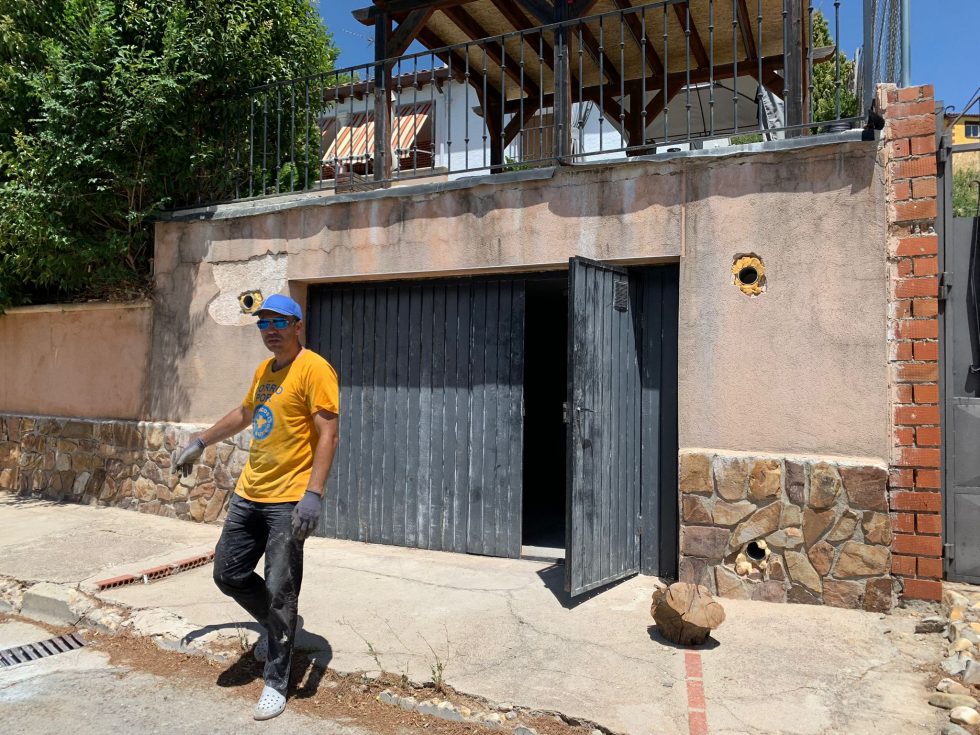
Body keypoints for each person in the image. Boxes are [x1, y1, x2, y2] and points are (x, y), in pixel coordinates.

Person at [174, 293, 339, 721]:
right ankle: (276, 625)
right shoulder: (265, 370)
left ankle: (276, 682)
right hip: (251, 493)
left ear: (297, 326)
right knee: (227, 573)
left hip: (289, 499)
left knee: (281, 589)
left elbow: (328, 434)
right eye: (264, 323)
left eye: (279, 322)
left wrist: (314, 493)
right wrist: (200, 441)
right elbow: (246, 412)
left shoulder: (315, 369)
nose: (270, 330)